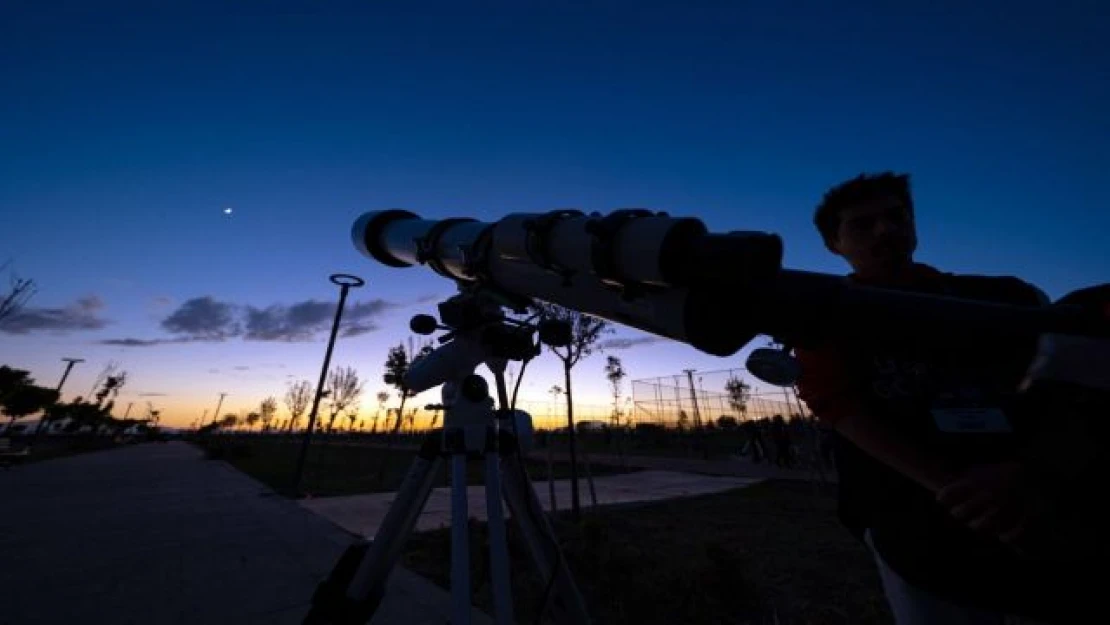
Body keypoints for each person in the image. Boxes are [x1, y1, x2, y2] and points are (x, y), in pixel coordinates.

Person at [793, 172, 1064, 624]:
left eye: (896, 217)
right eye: (862, 225)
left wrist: (1030, 470)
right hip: (914, 529)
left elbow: (1064, 387)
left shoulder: (1007, 299)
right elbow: (840, 407)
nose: (885, 230)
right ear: (833, 244)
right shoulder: (824, 319)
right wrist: (970, 497)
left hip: (1036, 507)